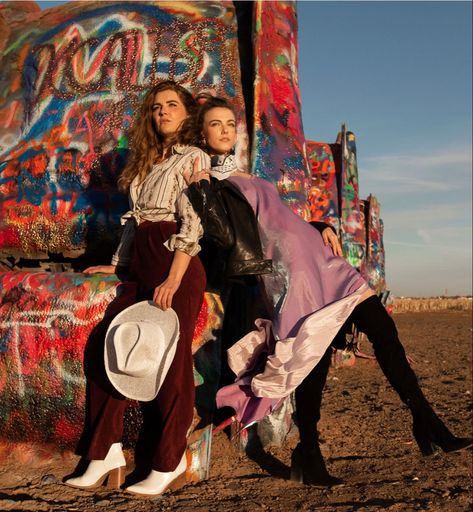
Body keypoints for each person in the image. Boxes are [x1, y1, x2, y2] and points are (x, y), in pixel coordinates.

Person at [187, 96, 472, 486]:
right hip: (292, 275)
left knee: (384, 330)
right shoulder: (208, 184)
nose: (224, 130)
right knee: (312, 359)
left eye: (228, 123)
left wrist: (319, 224)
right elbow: (224, 237)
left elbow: (280, 219)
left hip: (321, 260)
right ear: (201, 134)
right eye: (214, 124)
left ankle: (427, 420)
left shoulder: (249, 175)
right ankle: (310, 451)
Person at [65, 81, 209, 496]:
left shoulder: (193, 157)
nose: (163, 112)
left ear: (186, 114)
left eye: (172, 105)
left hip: (174, 259)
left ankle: (167, 461)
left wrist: (174, 276)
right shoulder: (147, 161)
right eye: (157, 107)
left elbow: (193, 221)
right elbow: (134, 221)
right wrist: (114, 265)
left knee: (171, 365)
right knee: (108, 349)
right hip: (142, 259)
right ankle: (103, 450)